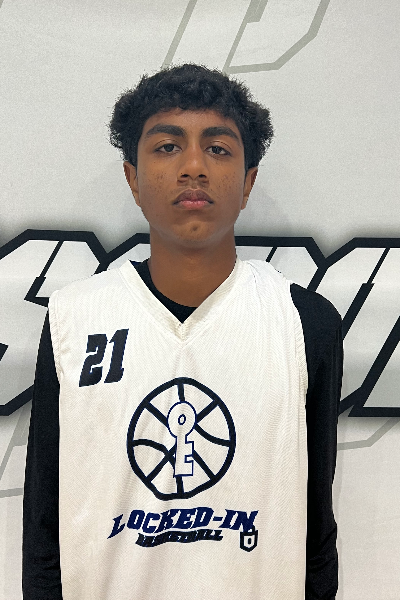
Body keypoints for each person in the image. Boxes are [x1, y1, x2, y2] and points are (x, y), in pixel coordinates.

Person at [23, 63, 343, 600]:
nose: (194, 166)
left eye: (217, 148)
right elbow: (43, 526)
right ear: (133, 178)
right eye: (168, 147)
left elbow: (316, 526)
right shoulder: (74, 318)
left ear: (248, 182)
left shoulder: (304, 322)